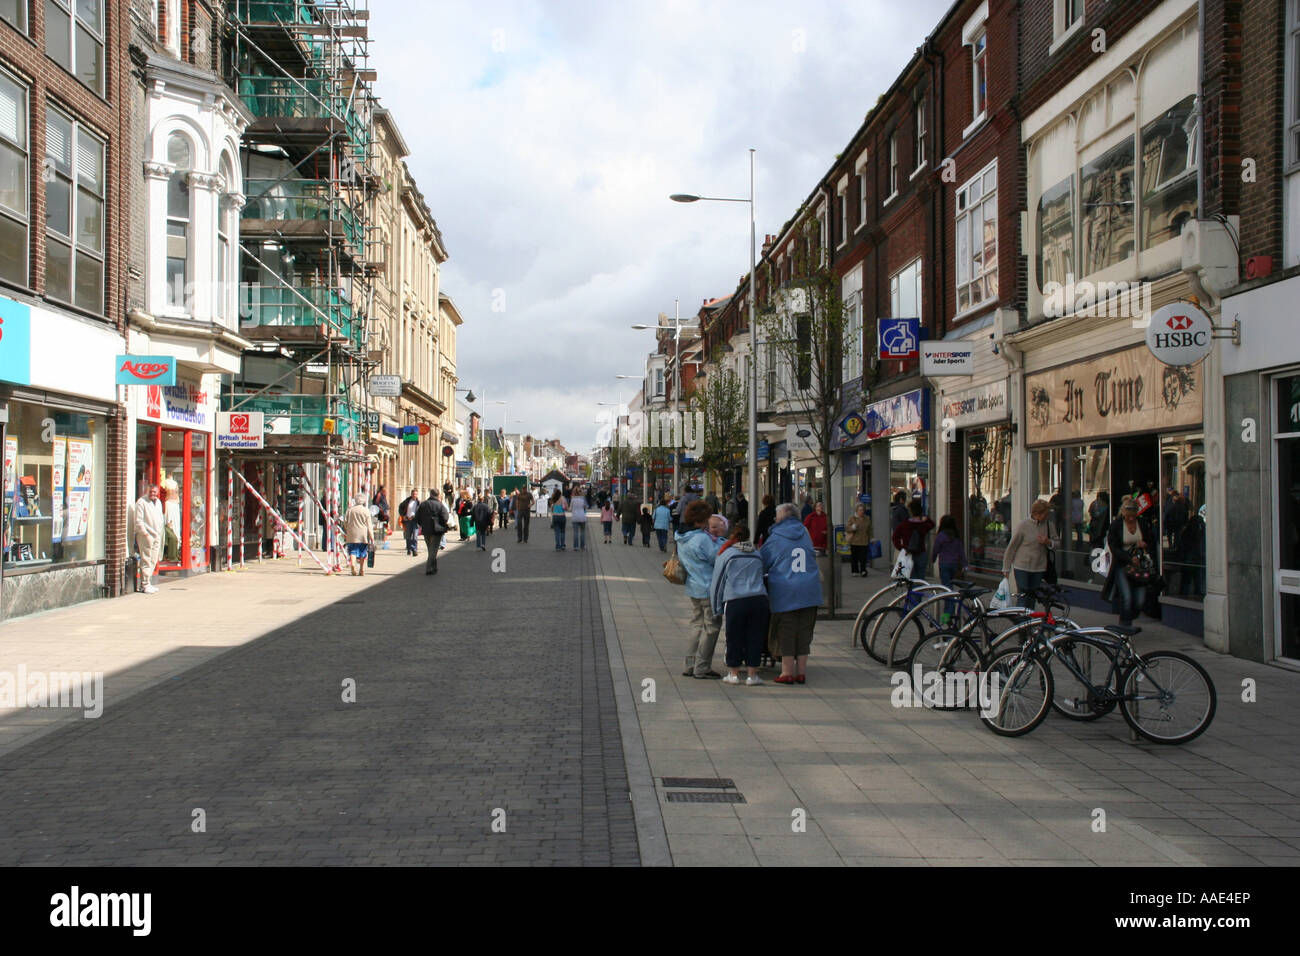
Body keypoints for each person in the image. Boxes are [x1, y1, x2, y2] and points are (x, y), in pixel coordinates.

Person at [761, 503, 824, 685]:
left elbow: (764, 560)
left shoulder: (776, 537)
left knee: (786, 631)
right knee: (804, 630)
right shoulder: (804, 532)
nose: (774, 518)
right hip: (810, 588)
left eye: (776, 515)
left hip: (786, 589)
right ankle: (801, 672)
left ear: (783, 518)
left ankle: (787, 672)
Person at [709, 523, 769, 686]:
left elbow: (718, 582)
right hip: (758, 599)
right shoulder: (757, 554)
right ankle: (752, 675)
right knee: (755, 637)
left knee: (734, 637)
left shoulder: (727, 554)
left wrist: (716, 608)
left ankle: (733, 674)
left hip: (736, 600)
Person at [677, 499, 724, 679]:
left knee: (696, 625)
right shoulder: (701, 538)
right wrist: (722, 541)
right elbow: (716, 557)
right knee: (711, 626)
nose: (708, 523)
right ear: (699, 520)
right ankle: (702, 666)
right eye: (706, 519)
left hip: (693, 587)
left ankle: (689, 664)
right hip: (707, 586)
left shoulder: (681, 537)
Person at [1102, 497, 1159, 625]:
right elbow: (1113, 546)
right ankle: (1125, 628)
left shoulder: (1142, 523)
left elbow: (1152, 541)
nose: (1131, 519)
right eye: (1128, 516)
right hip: (1123, 565)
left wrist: (1145, 544)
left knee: (1139, 600)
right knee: (1126, 597)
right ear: (1123, 513)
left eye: (1134, 516)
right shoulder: (1116, 525)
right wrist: (1129, 558)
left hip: (1140, 565)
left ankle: (1129, 617)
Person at [1002, 498, 1059, 610]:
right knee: (1023, 597)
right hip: (1022, 567)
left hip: (1039, 567)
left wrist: (1048, 542)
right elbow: (1012, 547)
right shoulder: (1023, 525)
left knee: (1032, 598)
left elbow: (1057, 543)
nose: (1047, 517)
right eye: (1045, 514)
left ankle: (1029, 623)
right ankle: (1021, 623)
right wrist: (1006, 568)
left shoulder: (1048, 525)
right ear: (1037, 513)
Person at [931, 515, 967, 619]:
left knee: (947, 589)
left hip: (944, 564)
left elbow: (935, 549)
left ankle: (948, 613)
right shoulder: (956, 536)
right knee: (950, 586)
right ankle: (949, 608)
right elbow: (961, 551)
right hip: (954, 565)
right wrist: (964, 564)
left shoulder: (941, 536)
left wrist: (933, 559)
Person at [891, 500, 935, 580]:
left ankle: (913, 591)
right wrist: (926, 518)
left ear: (910, 512)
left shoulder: (904, 525)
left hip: (908, 553)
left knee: (910, 577)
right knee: (921, 578)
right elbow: (932, 524)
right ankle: (919, 590)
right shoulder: (923, 524)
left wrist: (901, 548)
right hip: (921, 552)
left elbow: (895, 537)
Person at [133, 483, 164, 594]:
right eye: (150, 492)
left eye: (154, 492)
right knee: (146, 559)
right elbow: (138, 521)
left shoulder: (158, 503)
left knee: (153, 559)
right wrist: (145, 534)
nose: (152, 494)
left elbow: (160, 518)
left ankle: (148, 582)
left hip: (156, 535)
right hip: (146, 536)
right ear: (147, 491)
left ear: (158, 492)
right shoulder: (141, 502)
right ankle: (144, 584)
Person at [415, 489, 450, 574]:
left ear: (430, 494)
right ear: (438, 495)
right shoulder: (440, 505)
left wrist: (423, 523)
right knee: (434, 549)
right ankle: (429, 568)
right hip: (436, 530)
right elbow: (445, 517)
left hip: (426, 529)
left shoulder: (423, 504)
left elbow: (417, 517)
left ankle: (434, 567)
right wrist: (441, 522)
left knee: (431, 549)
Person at [344, 493, 374, 576]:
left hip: (352, 534)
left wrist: (348, 529)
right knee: (362, 552)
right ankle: (361, 569)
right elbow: (369, 525)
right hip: (362, 534)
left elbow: (345, 522)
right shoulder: (366, 510)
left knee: (353, 551)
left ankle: (353, 565)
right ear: (364, 501)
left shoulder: (350, 510)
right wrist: (371, 536)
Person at [847, 503, 872, 577]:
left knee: (863, 557)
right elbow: (847, 528)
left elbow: (870, 529)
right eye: (860, 510)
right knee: (854, 557)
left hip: (864, 540)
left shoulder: (867, 518)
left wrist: (871, 538)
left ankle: (863, 570)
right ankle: (855, 571)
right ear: (856, 510)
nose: (862, 511)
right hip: (855, 541)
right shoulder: (852, 518)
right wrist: (852, 527)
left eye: (863, 510)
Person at [397, 487, 420, 556]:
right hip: (407, 520)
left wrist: (416, 517)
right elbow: (400, 507)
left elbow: (420, 512)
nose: (414, 495)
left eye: (415, 494)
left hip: (415, 520)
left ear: (417, 495)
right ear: (411, 494)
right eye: (413, 494)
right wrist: (403, 516)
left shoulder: (419, 502)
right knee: (408, 536)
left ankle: (414, 549)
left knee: (415, 536)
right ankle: (409, 549)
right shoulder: (407, 501)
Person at [569, 486, 589, 550]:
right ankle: (582, 546)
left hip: (575, 517)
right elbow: (586, 507)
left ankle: (576, 547)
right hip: (582, 516)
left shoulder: (573, 499)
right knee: (582, 532)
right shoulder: (583, 499)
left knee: (575, 532)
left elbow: (570, 509)